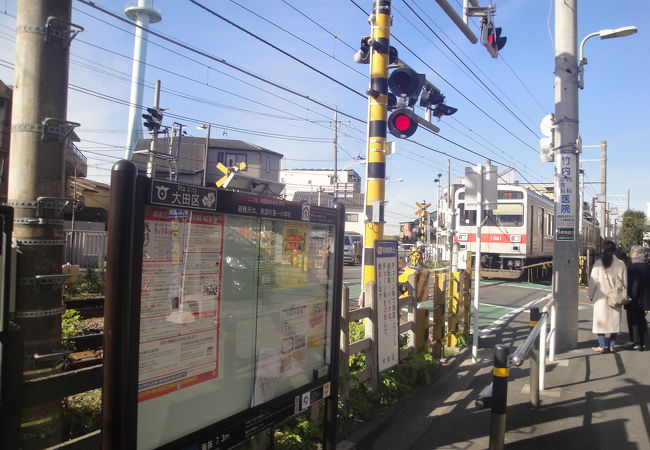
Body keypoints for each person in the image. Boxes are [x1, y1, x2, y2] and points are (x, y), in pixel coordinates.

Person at [587, 240, 628, 353]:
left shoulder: (598, 263)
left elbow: (593, 282)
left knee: (601, 321)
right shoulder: (621, 263)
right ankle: (612, 345)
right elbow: (624, 282)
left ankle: (602, 345)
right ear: (615, 250)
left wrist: (590, 295)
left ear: (603, 250)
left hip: (601, 297)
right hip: (616, 297)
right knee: (613, 322)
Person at [626, 245, 650, 351]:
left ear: (636, 254)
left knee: (634, 320)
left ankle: (637, 343)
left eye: (632, 253)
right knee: (642, 319)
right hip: (645, 298)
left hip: (633, 298)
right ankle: (645, 341)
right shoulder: (647, 266)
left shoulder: (632, 266)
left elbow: (632, 284)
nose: (631, 255)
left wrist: (629, 296)